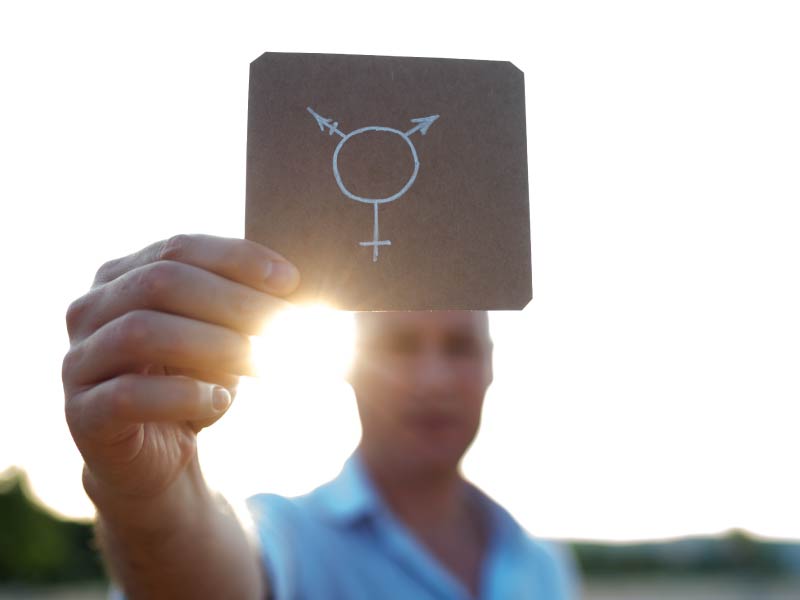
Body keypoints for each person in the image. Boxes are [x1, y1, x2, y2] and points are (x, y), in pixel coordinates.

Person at [62, 234, 578, 599]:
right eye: (400, 346)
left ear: (490, 367)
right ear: (351, 368)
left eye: (460, 347)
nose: (433, 379)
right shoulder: (292, 537)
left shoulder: (542, 567)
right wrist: (151, 497)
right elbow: (209, 579)